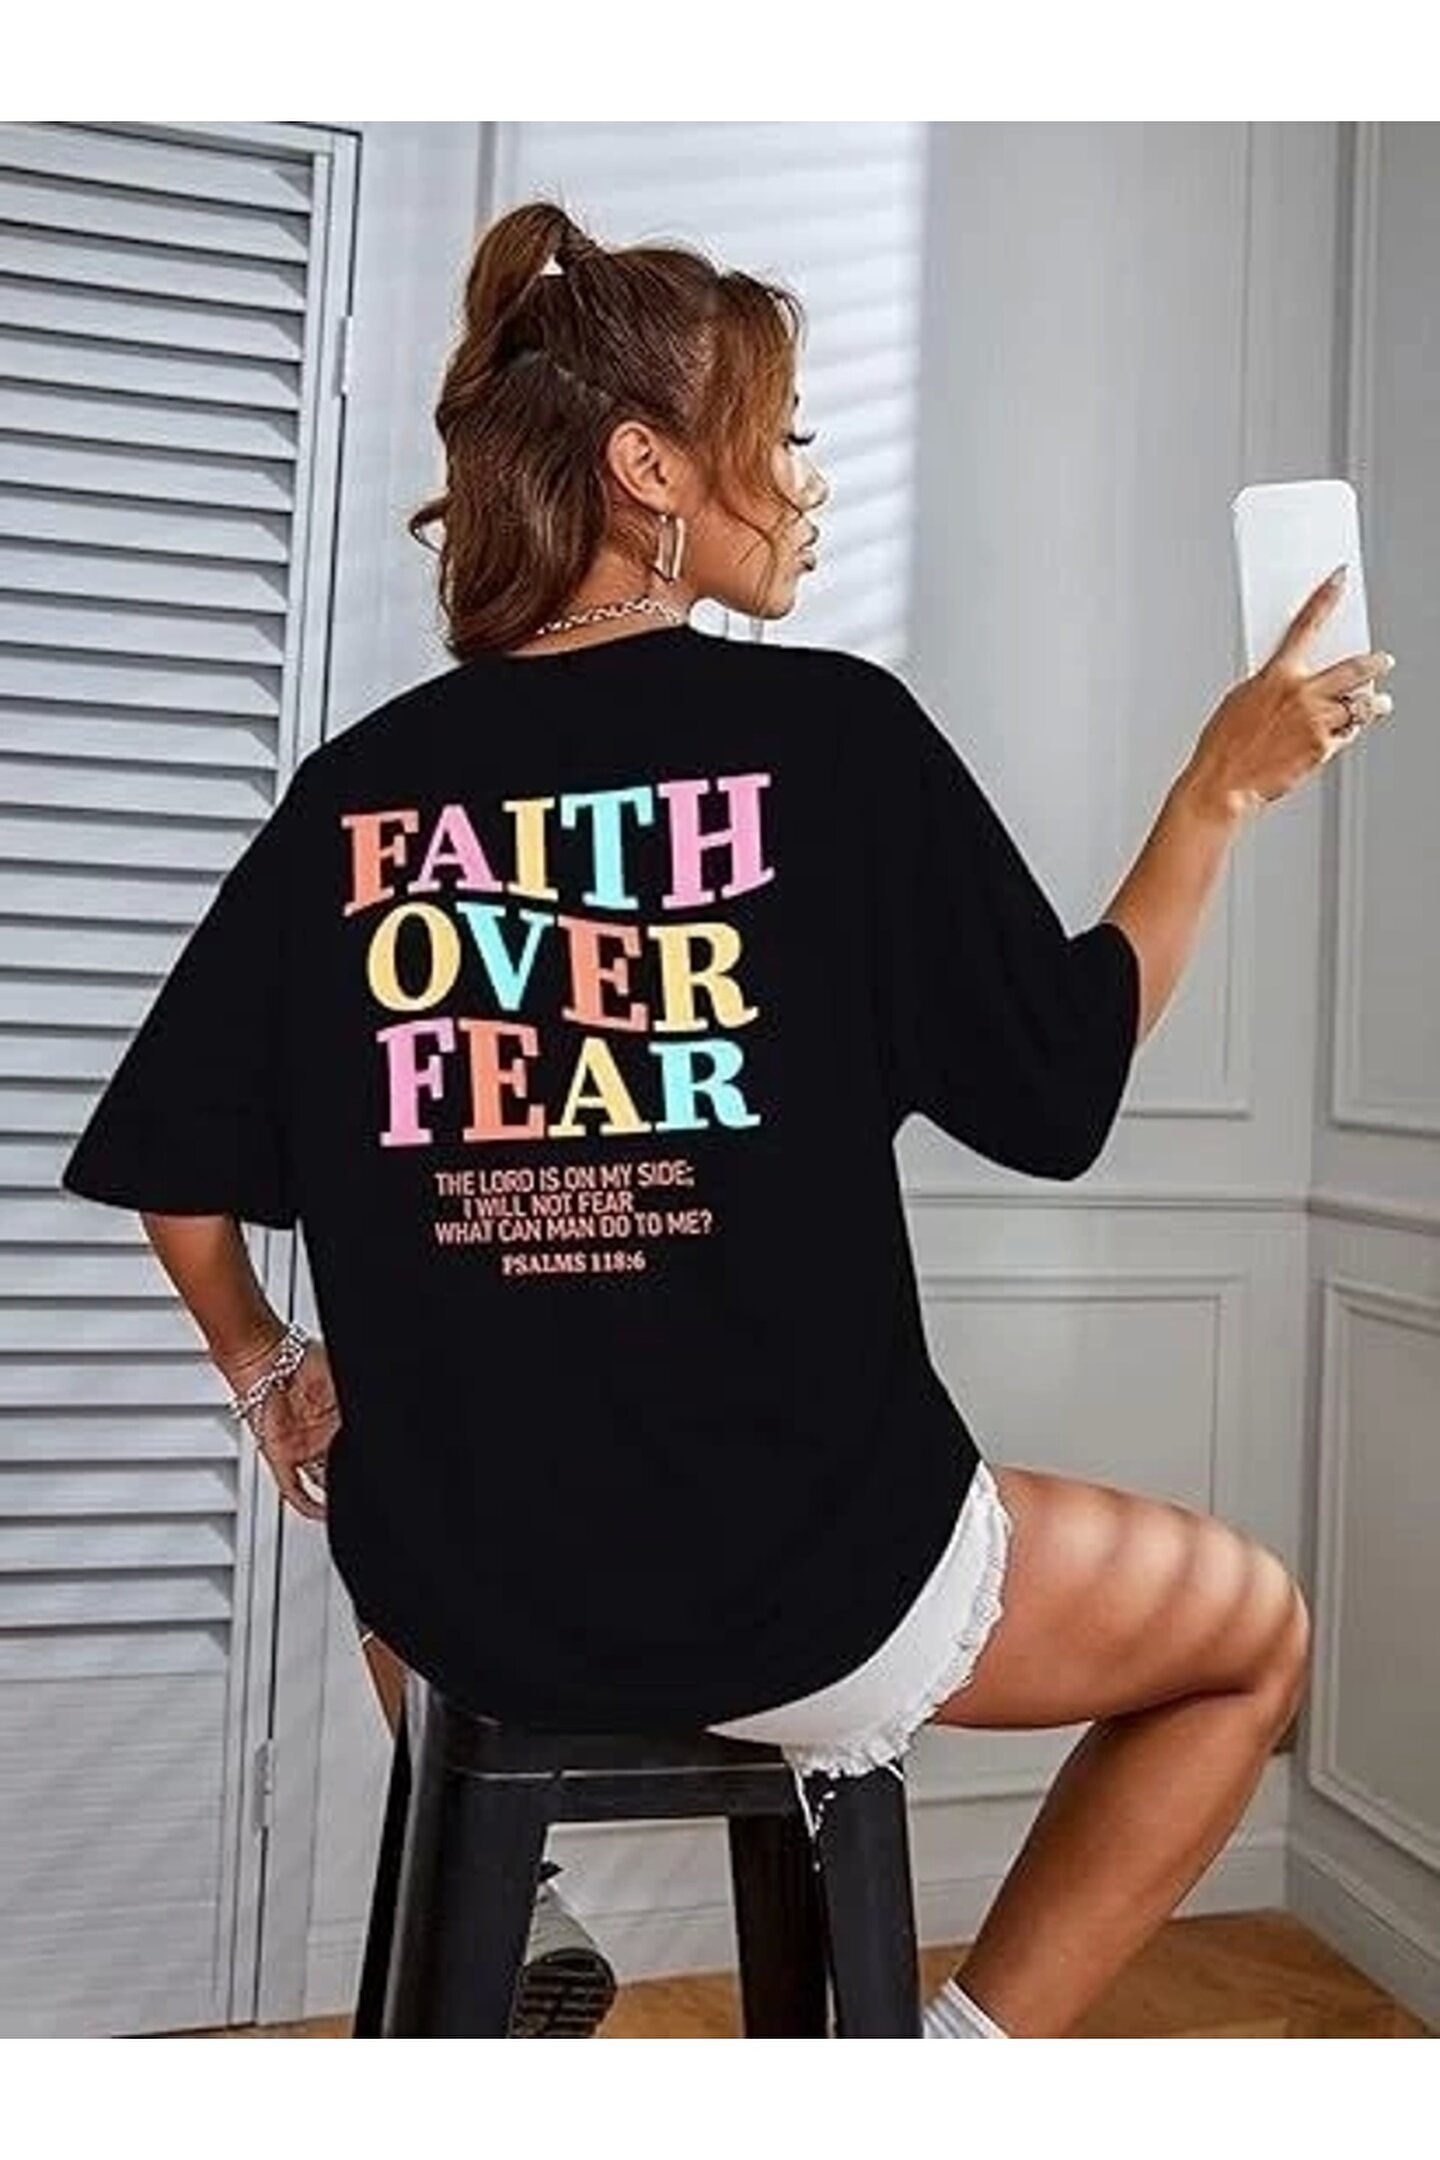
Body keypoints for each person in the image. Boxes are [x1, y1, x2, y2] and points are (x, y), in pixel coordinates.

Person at [60, 198, 1396, 2042]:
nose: (809, 481)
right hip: (805, 1590)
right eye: (782, 433)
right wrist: (1214, 793)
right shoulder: (836, 742)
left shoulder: (354, 797)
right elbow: (1059, 1085)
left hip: (467, 1597)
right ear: (649, 469)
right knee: (1253, 1633)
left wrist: (267, 1369)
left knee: (401, 1483)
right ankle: (944, 2067)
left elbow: (180, 1183)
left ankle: (519, 1895)